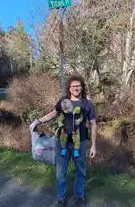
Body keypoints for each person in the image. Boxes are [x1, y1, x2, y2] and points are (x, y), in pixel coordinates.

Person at [30, 74, 97, 207]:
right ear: (69, 88)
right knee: (60, 172)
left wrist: (93, 146)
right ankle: (60, 198)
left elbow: (93, 124)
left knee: (81, 171)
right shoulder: (63, 101)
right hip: (62, 143)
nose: (76, 88)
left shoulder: (87, 104)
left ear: (82, 87)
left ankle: (79, 196)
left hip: (80, 143)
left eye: (78, 85)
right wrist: (37, 121)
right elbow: (53, 113)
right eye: (73, 86)